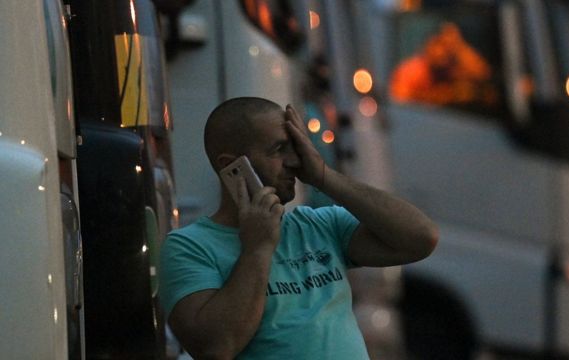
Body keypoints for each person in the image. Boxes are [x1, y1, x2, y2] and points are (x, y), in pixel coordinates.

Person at [159, 97, 439, 359]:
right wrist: (257, 249)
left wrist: (324, 176)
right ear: (232, 166)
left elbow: (420, 238)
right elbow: (217, 347)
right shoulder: (188, 247)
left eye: (296, 146)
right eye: (279, 149)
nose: (294, 161)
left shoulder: (318, 224)